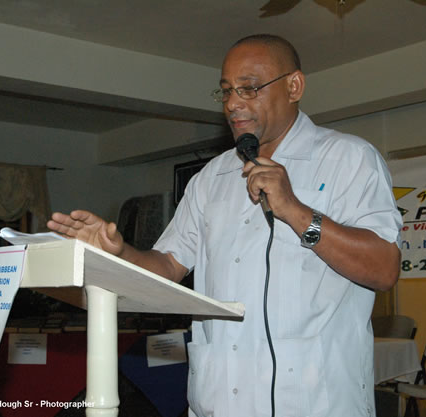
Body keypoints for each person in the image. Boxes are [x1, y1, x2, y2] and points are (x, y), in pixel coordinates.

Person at [48, 34, 402, 417]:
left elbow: (384, 269)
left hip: (318, 403)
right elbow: (168, 265)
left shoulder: (349, 159)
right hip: (217, 404)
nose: (234, 104)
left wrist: (296, 211)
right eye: (226, 92)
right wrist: (118, 254)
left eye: (249, 89)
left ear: (294, 85)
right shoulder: (211, 178)